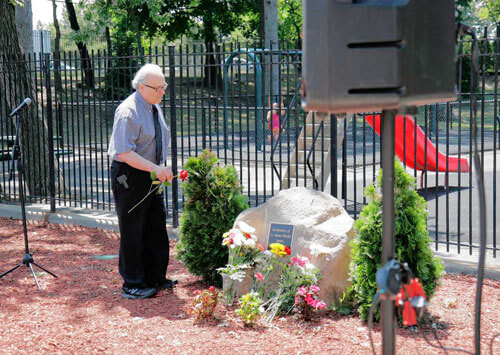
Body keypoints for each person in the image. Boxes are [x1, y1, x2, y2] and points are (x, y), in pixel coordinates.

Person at [108, 63, 176, 299]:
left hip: (150, 173)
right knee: (133, 229)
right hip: (129, 174)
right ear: (141, 87)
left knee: (155, 225)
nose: (162, 92)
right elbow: (124, 152)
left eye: (163, 86)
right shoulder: (128, 111)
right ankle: (133, 283)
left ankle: (155, 277)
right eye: (158, 88)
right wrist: (156, 168)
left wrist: (157, 170)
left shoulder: (154, 106)